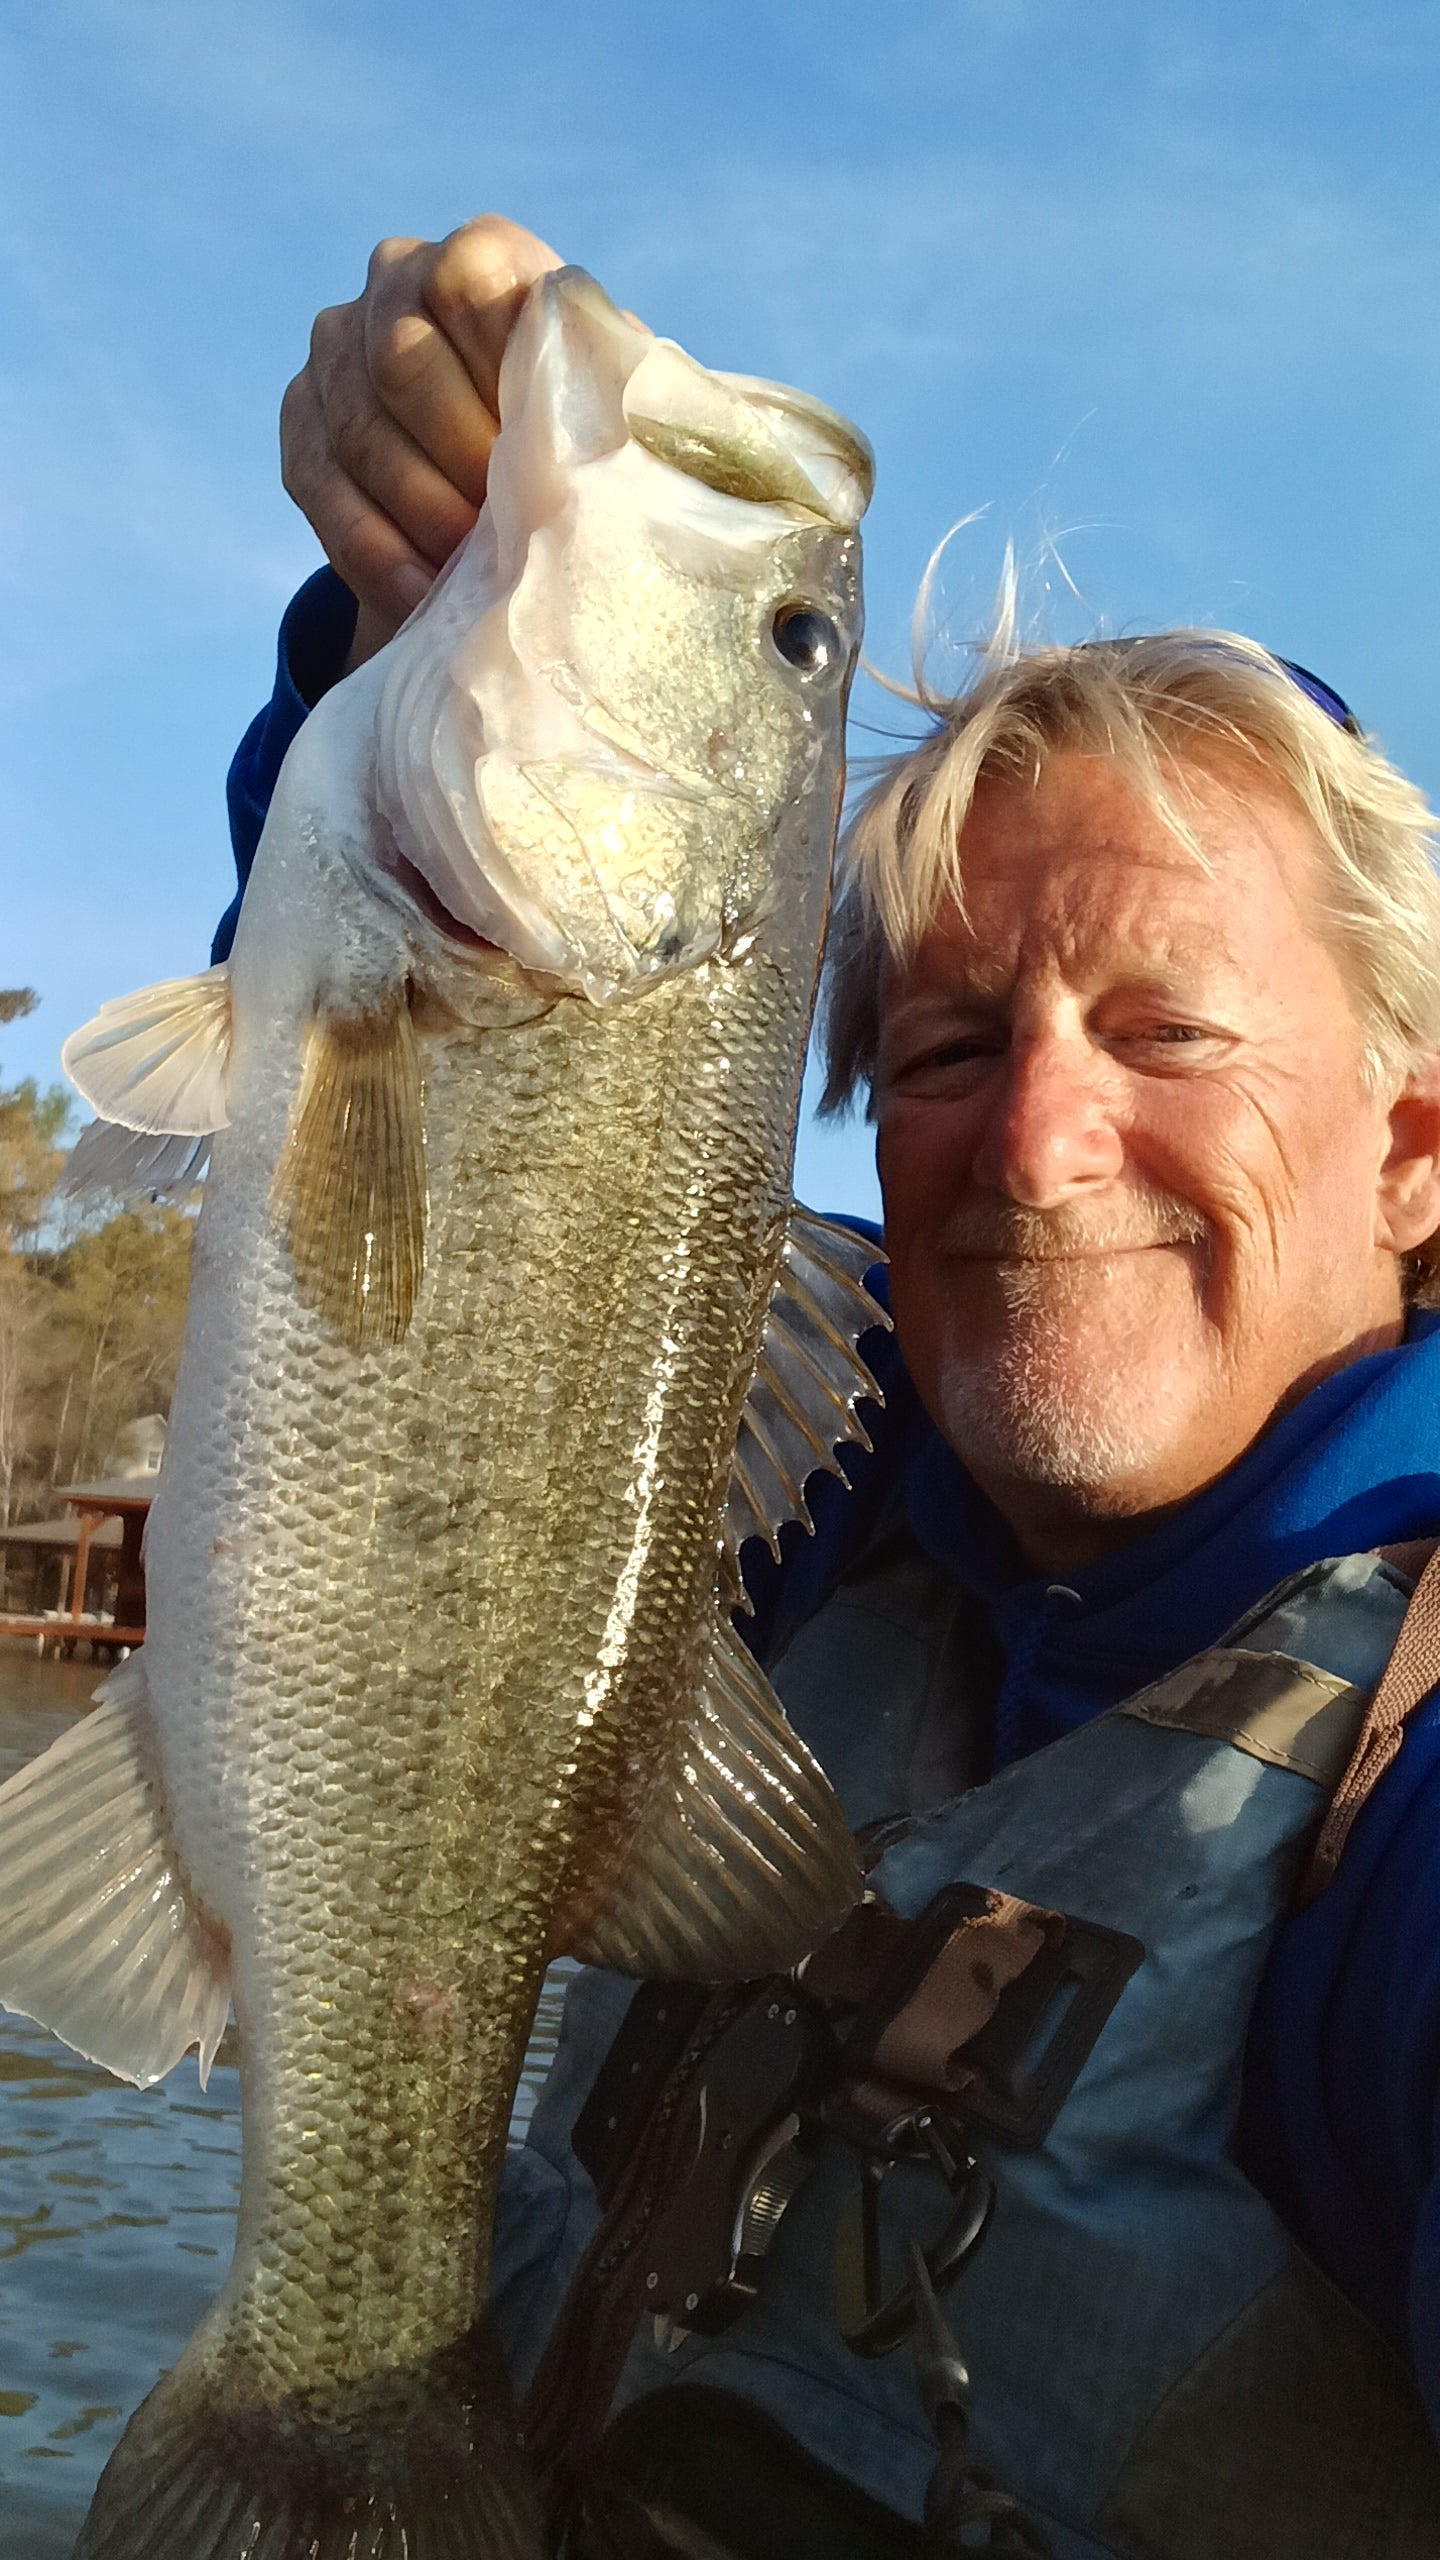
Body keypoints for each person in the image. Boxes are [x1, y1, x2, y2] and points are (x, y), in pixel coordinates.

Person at [226, 219, 1440, 2558]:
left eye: (1170, 1028)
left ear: (1413, 1151)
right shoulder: (806, 1471)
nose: (1041, 1142)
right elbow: (416, 1219)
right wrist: (398, 616)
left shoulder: (1409, 1808)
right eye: (951, 1048)